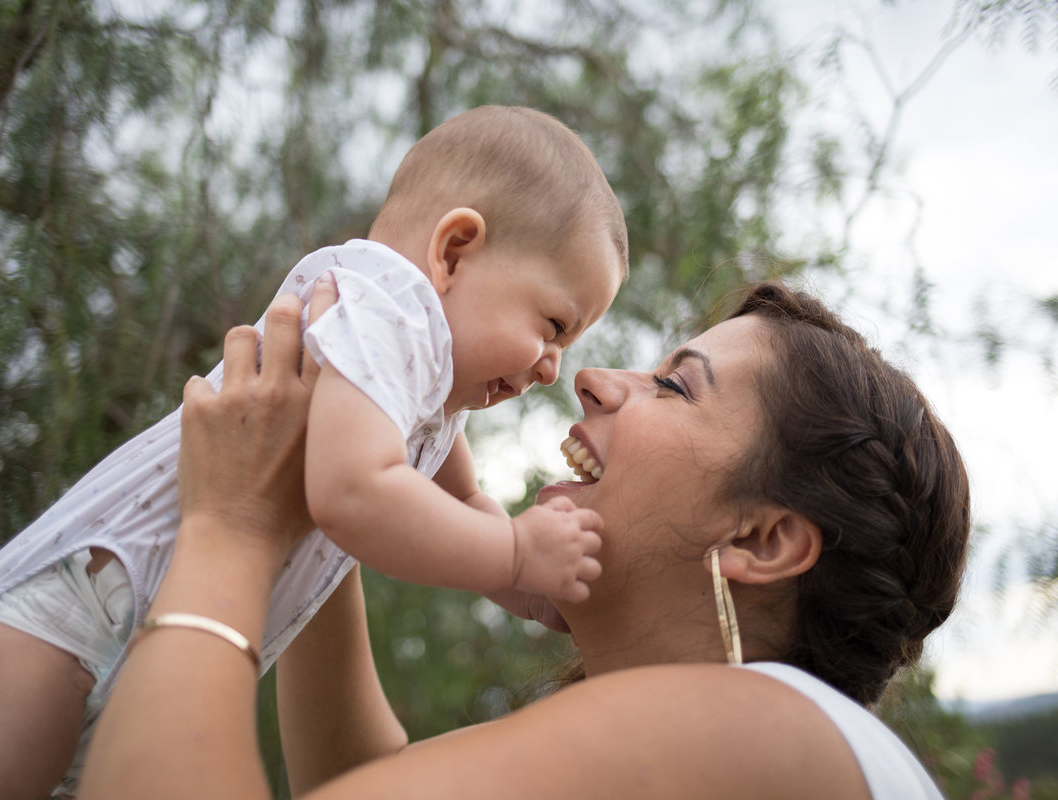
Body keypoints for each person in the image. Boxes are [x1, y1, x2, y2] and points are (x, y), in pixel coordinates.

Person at [0, 106, 626, 799]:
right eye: (555, 324)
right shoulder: (387, 313)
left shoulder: (430, 390)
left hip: (136, 643)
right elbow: (354, 494)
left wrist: (517, 587)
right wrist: (515, 553)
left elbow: (459, 505)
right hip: (64, 620)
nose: (553, 367)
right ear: (454, 251)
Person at [80, 279, 969, 800]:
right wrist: (332, 491)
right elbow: (360, 773)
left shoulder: (775, 727)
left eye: (674, 386)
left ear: (765, 538)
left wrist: (228, 529)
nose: (591, 380)